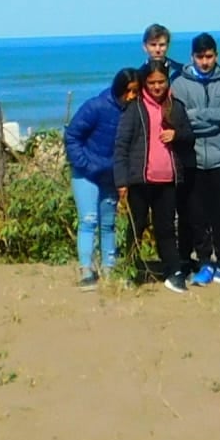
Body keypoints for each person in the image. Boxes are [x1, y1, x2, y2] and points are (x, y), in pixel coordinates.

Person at [114, 60, 195, 293]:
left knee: (166, 228)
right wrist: (121, 181)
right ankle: (131, 270)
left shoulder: (175, 106)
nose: (157, 86)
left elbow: (190, 137)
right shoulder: (135, 108)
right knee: (136, 226)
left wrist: (176, 134)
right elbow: (121, 146)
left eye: (161, 82)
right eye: (152, 83)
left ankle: (173, 272)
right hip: (139, 180)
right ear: (145, 84)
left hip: (168, 180)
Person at [171, 32, 220, 286]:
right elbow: (181, 120)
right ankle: (204, 263)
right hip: (194, 159)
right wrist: (212, 120)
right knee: (196, 215)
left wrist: (199, 115)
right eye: (200, 57)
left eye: (209, 56)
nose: (205, 61)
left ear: (216, 56)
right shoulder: (179, 84)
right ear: (192, 57)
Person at [64, 68, 140, 290]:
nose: (133, 96)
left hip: (112, 176)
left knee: (108, 224)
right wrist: (86, 165)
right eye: (130, 91)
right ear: (120, 89)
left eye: (136, 91)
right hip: (86, 174)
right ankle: (86, 269)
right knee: (88, 220)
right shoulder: (95, 106)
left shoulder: (133, 111)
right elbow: (72, 137)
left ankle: (110, 268)